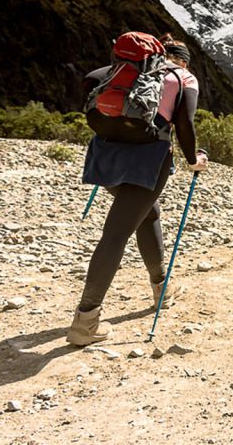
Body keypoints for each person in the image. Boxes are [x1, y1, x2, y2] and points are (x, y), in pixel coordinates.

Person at [66, 33, 208, 346]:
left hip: (105, 158)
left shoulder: (117, 73)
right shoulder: (184, 78)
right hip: (148, 162)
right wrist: (193, 158)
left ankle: (162, 287)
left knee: (146, 213)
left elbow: (89, 84)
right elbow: (184, 125)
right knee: (116, 232)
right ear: (182, 59)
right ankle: (85, 322)